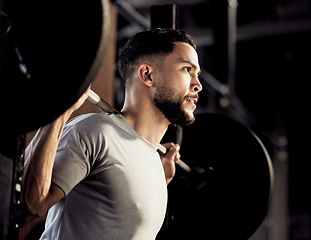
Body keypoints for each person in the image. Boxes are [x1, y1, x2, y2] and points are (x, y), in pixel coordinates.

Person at [22, 28, 202, 239]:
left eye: (197, 74)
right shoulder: (95, 132)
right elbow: (28, 211)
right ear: (148, 75)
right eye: (187, 69)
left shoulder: (154, 161)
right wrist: (59, 111)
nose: (197, 85)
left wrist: (160, 179)